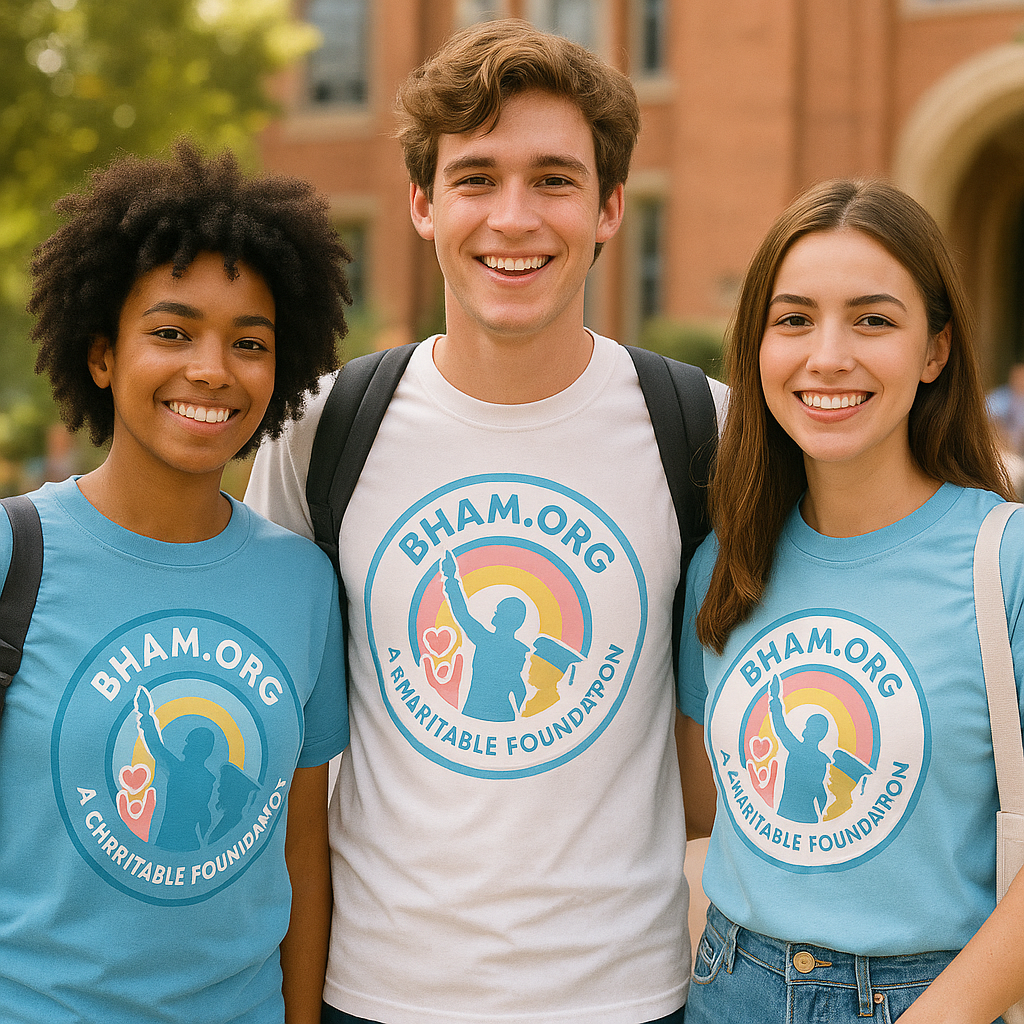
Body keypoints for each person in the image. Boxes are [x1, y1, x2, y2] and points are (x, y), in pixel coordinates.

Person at [245, 18, 725, 1024]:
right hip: (374, 992)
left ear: (608, 209)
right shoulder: (325, 428)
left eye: (554, 179)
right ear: (422, 205)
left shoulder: (702, 428)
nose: (514, 217)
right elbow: (278, 721)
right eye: (475, 178)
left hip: (625, 996)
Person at [1, 140, 352, 1024]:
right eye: (171, 331)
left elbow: (300, 853)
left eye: (248, 343)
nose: (210, 369)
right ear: (101, 355)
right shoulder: (12, 553)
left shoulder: (303, 584)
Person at [679, 178, 1024, 1023]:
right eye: (793, 319)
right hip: (728, 986)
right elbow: (704, 818)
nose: (828, 355)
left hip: (937, 999)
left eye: (873, 319)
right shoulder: (725, 562)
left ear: (935, 351)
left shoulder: (1005, 559)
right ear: (757, 346)